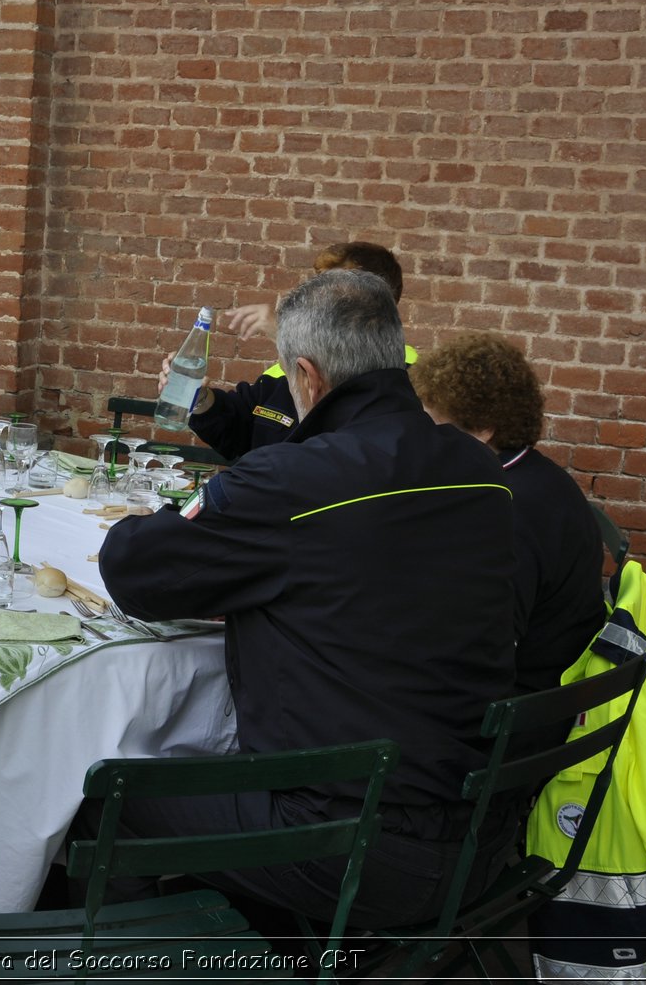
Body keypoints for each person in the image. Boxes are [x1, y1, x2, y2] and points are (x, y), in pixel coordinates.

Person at [98, 268, 519, 930]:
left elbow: (133, 570)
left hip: (351, 845)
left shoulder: (292, 480)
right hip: (480, 829)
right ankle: (280, 947)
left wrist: (165, 520)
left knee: (108, 801)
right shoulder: (480, 470)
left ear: (309, 376)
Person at [410, 333, 605, 696]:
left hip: (518, 717)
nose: (420, 436)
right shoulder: (536, 477)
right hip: (544, 686)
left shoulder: (505, 512)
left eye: (431, 422)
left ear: (482, 429)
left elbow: (478, 654)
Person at [173, 241, 415, 462]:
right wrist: (201, 398)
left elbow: (348, 449)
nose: (315, 300)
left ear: (379, 306)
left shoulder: (406, 379)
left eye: (334, 296)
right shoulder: (284, 372)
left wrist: (287, 336)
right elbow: (238, 430)